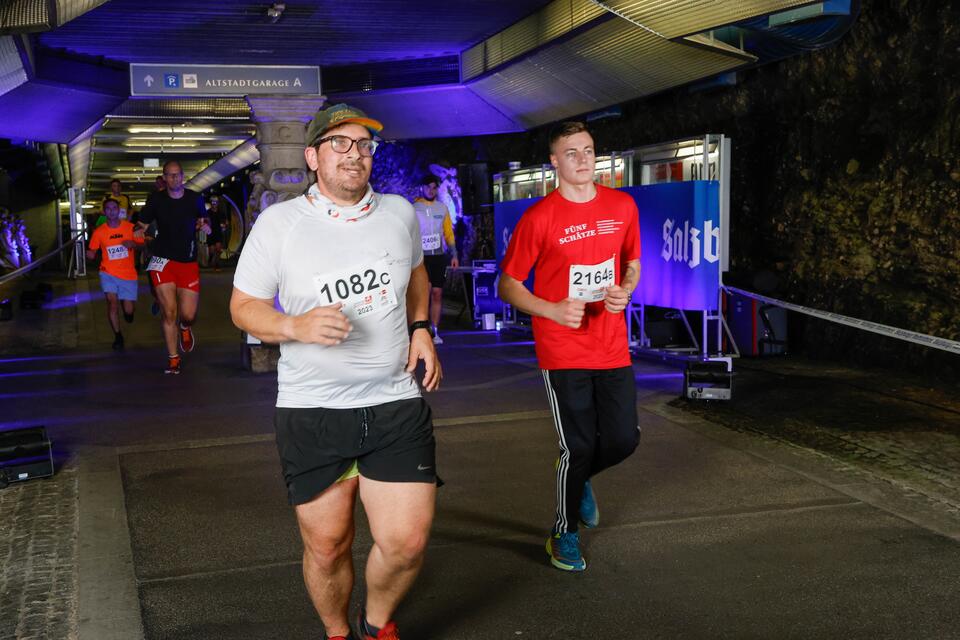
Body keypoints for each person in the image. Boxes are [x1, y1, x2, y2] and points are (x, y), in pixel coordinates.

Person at [230, 103, 441, 640]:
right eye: (340, 144)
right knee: (328, 547)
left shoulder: (398, 212)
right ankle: (337, 634)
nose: (355, 155)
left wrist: (421, 327)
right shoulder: (280, 224)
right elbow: (243, 307)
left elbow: (415, 271)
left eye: (363, 146)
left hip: (395, 400)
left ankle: (375, 626)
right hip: (313, 410)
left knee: (406, 544)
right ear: (312, 157)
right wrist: (294, 326)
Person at [498, 121, 642, 573]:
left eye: (589, 150)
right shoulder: (539, 217)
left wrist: (625, 288)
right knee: (576, 447)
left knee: (623, 439)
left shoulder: (622, 205)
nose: (583, 159)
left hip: (612, 345)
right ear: (555, 162)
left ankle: (578, 483)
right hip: (562, 348)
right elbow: (508, 284)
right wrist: (551, 309)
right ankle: (563, 533)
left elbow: (632, 262)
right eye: (572, 152)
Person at [136, 160, 210, 374]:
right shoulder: (156, 200)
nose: (174, 179)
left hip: (187, 261)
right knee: (169, 312)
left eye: (177, 175)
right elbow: (142, 224)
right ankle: (173, 358)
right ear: (164, 178)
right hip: (162, 261)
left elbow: (205, 221)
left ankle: (185, 328)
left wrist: (205, 225)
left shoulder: (195, 199)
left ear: (183, 176)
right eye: (170, 175)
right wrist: (138, 231)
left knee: (187, 315)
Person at [86, 198, 144, 350]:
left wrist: (134, 245)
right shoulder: (99, 232)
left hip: (128, 274)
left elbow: (143, 245)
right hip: (108, 273)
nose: (111, 211)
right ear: (105, 212)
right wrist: (90, 254)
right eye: (108, 209)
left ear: (119, 210)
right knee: (112, 304)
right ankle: (118, 336)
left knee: (128, 310)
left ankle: (128, 312)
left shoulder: (130, 228)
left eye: (114, 208)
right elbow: (92, 250)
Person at [412, 175, 458, 344]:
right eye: (428, 187)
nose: (431, 190)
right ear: (422, 187)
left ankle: (435, 330)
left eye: (434, 187)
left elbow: (448, 234)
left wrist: (454, 255)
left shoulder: (442, 208)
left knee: (437, 293)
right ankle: (422, 330)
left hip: (439, 256)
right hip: (421, 258)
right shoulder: (413, 208)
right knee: (425, 292)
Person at [205, 194, 225, 271]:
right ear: (211, 203)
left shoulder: (221, 212)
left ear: (217, 203)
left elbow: (225, 222)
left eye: (215, 202)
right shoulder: (208, 212)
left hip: (218, 232)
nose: (214, 204)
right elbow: (204, 221)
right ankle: (210, 258)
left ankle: (217, 265)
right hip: (210, 233)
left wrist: (224, 225)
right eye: (213, 202)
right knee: (212, 251)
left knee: (218, 249)